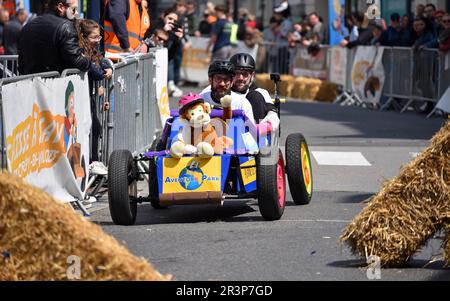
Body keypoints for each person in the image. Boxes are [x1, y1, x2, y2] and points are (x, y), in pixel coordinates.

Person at [76, 19, 113, 176]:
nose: (98, 41)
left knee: (95, 127)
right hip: (79, 97)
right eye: (94, 37)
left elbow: (101, 62)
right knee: (89, 128)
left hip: (88, 96)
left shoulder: (92, 51)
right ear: (84, 37)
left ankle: (94, 161)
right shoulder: (81, 51)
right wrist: (105, 72)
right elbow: (96, 72)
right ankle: (90, 162)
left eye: (99, 37)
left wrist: (108, 67)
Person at [18, 0, 91, 75]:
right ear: (60, 7)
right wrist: (88, 61)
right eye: (73, 9)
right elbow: (76, 61)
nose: (76, 13)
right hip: (57, 83)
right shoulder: (66, 26)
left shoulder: (26, 27)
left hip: (29, 82)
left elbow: (21, 64)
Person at [230, 53, 279, 133]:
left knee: (254, 96)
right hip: (227, 134)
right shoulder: (223, 90)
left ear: (252, 75)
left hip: (254, 135)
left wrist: (264, 127)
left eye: (245, 74)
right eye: (237, 73)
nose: (240, 78)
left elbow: (272, 114)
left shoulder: (261, 92)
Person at [200, 60, 255, 124]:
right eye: (218, 78)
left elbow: (251, 132)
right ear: (210, 80)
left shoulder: (242, 103)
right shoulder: (201, 100)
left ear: (232, 82)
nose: (222, 84)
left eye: (226, 79)